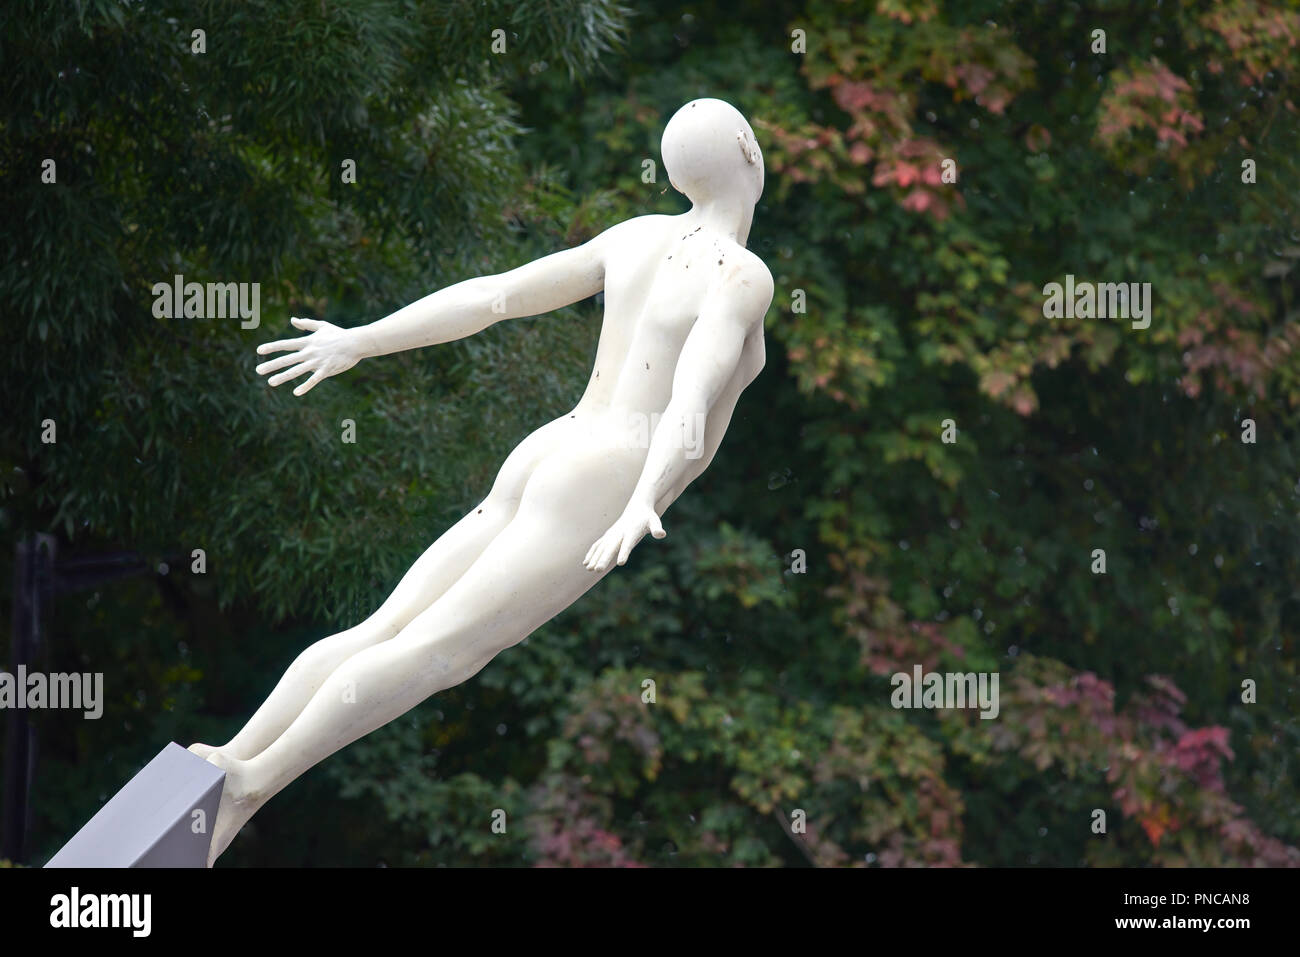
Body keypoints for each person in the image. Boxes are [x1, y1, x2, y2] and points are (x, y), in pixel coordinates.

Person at [190, 97, 773, 865]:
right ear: (747, 148)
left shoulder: (636, 239)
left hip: (550, 447)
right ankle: (248, 781)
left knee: (382, 629)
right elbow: (691, 396)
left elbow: (494, 296)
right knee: (440, 650)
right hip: (607, 471)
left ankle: (234, 756)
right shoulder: (743, 275)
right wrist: (642, 497)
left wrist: (363, 338)